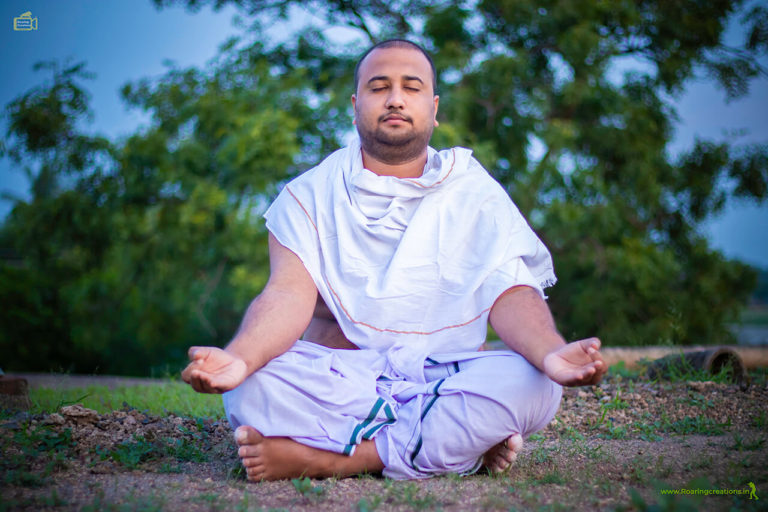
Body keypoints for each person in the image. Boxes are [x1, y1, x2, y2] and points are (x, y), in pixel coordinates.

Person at [182, 39, 606, 481]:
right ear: (355, 104)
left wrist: (552, 353)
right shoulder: (309, 195)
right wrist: (242, 358)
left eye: (412, 87)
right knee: (250, 388)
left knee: (536, 382)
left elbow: (512, 293)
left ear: (434, 107)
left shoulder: (472, 192)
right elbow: (286, 294)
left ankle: (341, 458)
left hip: (443, 376)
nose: (396, 99)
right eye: (379, 86)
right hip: (344, 381)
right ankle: (457, 447)